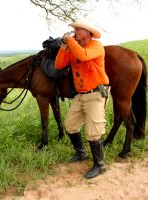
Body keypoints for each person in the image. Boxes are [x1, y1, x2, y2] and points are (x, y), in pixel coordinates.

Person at [55, 19, 109, 179]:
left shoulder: (96, 46)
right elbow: (58, 65)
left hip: (95, 94)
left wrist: (70, 40)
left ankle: (100, 165)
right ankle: (81, 153)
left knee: (93, 132)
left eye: (79, 29)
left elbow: (83, 56)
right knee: (70, 125)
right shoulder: (72, 47)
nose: (75, 32)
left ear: (88, 33)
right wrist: (64, 47)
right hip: (81, 95)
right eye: (75, 30)